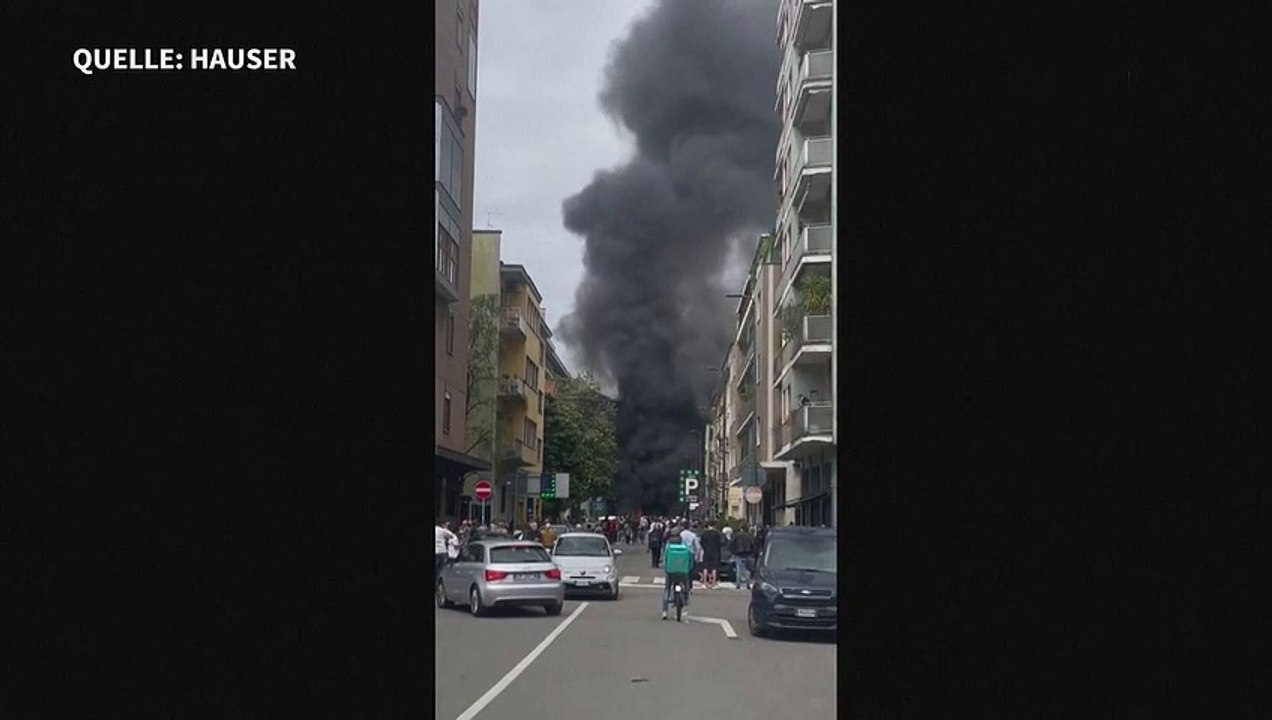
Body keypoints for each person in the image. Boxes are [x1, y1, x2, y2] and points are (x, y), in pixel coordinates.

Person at [660, 528, 693, 620]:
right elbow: (690, 557)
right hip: (683, 571)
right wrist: (689, 568)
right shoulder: (684, 546)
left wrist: (665, 568)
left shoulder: (668, 546)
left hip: (670, 571)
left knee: (667, 589)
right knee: (686, 586)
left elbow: (665, 559)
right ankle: (686, 599)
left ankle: (664, 611)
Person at [699, 520, 723, 589]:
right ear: (714, 526)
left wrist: (704, 548)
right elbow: (720, 543)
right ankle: (713, 583)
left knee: (705, 567)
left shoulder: (704, 533)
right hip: (715, 552)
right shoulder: (716, 534)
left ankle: (705, 583)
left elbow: (701, 542)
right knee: (714, 567)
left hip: (706, 551)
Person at [435, 519, 458, 584]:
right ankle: (438, 582)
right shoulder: (442, 530)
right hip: (441, 551)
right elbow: (452, 536)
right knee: (441, 569)